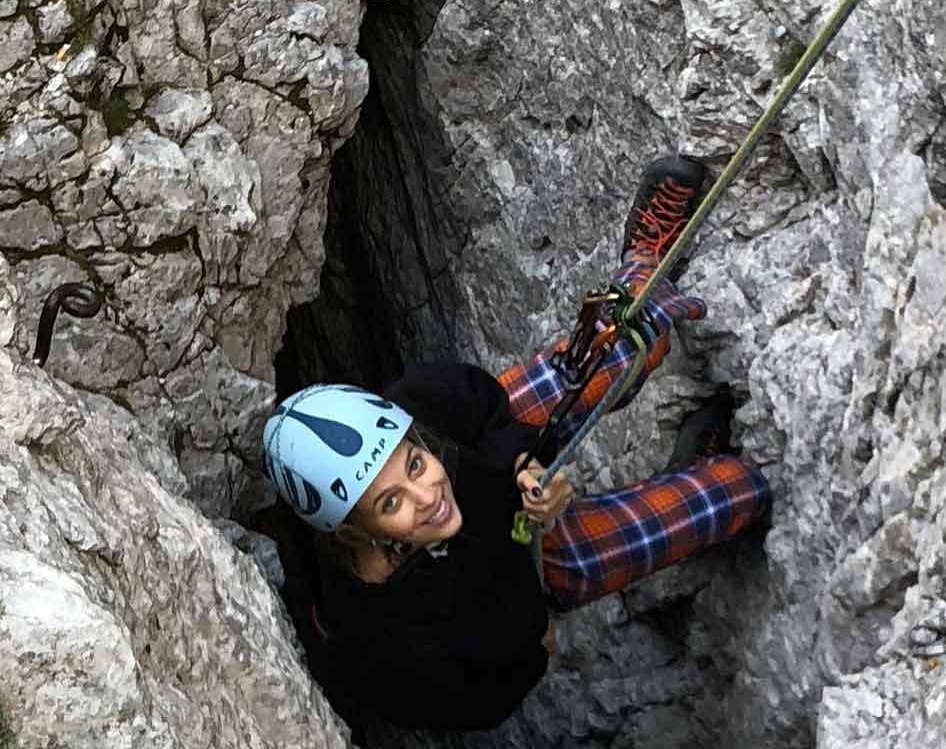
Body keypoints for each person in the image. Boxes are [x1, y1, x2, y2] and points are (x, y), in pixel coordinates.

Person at [258, 155, 771, 732]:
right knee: (741, 491)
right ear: (356, 532)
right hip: (531, 571)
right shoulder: (384, 631)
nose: (426, 496)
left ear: (412, 434)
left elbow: (485, 408)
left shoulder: (423, 405)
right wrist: (531, 646)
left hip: (497, 468)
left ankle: (645, 264)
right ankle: (694, 474)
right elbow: (468, 704)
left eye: (415, 464)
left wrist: (523, 463)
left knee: (621, 348)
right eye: (390, 502)